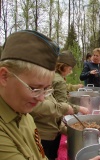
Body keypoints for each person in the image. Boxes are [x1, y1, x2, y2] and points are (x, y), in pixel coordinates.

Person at [0, 30, 59, 159]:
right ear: (4, 76)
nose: (42, 98)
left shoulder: (25, 115)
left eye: (46, 89)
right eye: (34, 88)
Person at [30, 51, 89, 160]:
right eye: (70, 69)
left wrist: (66, 130)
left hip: (48, 128)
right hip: (46, 132)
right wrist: (76, 108)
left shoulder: (51, 79)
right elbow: (57, 107)